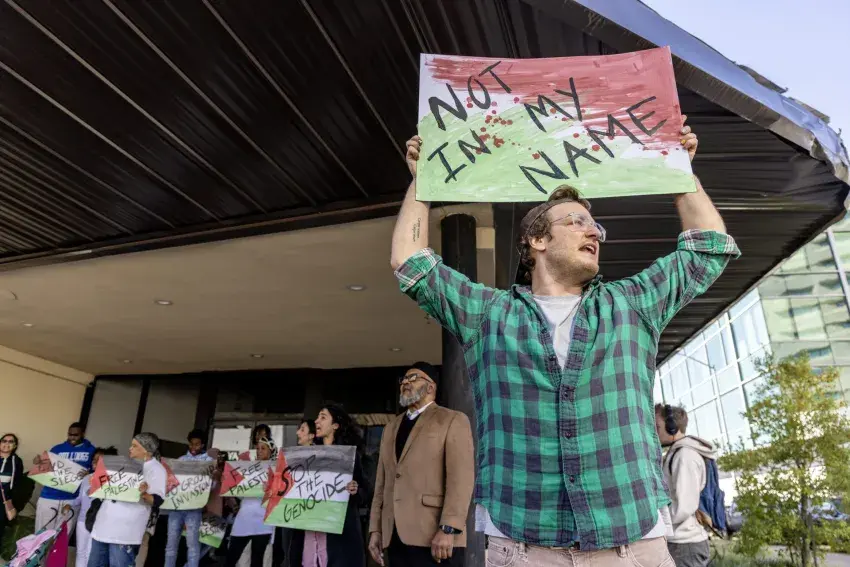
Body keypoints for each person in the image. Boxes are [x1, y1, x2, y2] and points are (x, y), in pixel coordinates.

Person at [391, 121, 738, 564]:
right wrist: (422, 180)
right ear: (537, 240)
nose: (593, 233)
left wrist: (678, 172)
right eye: (576, 222)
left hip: (633, 547)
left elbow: (708, 248)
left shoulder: (632, 303)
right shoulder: (489, 315)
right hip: (522, 548)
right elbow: (410, 262)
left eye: (596, 227)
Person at [368, 362, 474, 566]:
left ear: (431, 387)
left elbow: (461, 480)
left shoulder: (452, 419)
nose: (405, 383)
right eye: (404, 379)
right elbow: (381, 483)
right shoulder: (390, 427)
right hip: (394, 535)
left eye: (413, 378)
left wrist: (448, 528)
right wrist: (376, 529)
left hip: (434, 536)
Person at [287, 403, 365, 567]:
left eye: (322, 417)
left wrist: (355, 489)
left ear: (335, 425)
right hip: (308, 535)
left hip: (337, 541)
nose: (316, 421)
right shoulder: (306, 456)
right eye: (317, 417)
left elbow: (366, 492)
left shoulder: (349, 456)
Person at [89, 433, 167, 567]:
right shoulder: (123, 463)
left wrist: (143, 493)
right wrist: (96, 482)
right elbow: (105, 487)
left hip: (125, 533)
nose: (130, 448)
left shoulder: (156, 469)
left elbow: (157, 500)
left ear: (147, 450)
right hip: (103, 525)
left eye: (135, 446)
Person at [655, 404, 717, 567]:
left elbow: (684, 506)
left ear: (672, 427)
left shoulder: (685, 456)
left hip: (685, 544)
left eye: (658, 426)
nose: (655, 431)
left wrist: (656, 522)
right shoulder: (677, 452)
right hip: (680, 542)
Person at [165, 429, 216, 567]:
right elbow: (171, 482)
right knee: (171, 544)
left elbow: (211, 486)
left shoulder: (208, 462)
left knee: (192, 544)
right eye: (191, 444)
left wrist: (214, 480)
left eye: (197, 444)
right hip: (176, 507)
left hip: (194, 508)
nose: (193, 447)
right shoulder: (181, 460)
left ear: (203, 445)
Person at [35, 421, 96, 535]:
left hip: (72, 498)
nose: (72, 437)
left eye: (76, 435)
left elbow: (96, 471)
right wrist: (39, 462)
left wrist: (89, 474)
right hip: (49, 496)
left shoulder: (91, 450)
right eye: (70, 434)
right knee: (42, 535)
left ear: (83, 434)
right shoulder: (57, 449)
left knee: (62, 536)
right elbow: (47, 468)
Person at [273, 419, 317, 566]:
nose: (298, 432)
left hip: (311, 513)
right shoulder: (290, 456)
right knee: (289, 553)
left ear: (312, 435)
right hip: (289, 512)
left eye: (302, 430)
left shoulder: (321, 456)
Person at [226, 437, 276, 567]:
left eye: (263, 448)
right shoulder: (248, 468)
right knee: (231, 557)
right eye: (257, 448)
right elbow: (240, 494)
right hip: (244, 517)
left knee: (257, 560)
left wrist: (270, 490)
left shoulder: (276, 470)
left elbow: (279, 497)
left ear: (271, 451)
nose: (259, 451)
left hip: (263, 521)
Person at [66, 446, 118, 567]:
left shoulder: (111, 480)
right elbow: (80, 498)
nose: (95, 461)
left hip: (98, 521)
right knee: (80, 552)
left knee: (91, 553)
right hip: (82, 520)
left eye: (99, 459)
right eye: (94, 459)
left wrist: (96, 484)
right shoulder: (86, 478)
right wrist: (69, 504)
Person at [0, 433, 23, 554]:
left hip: (3, 501)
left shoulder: (16, 461)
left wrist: (13, 502)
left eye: (10, 441)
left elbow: (18, 484)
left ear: (15, 445)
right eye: (4, 441)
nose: (7, 444)